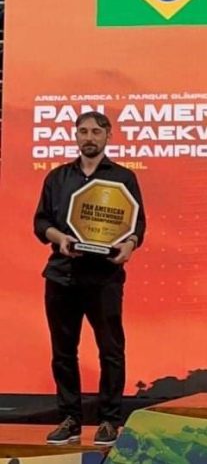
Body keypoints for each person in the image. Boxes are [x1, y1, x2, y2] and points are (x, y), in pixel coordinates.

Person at [33, 111, 146, 446]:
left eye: (96, 131)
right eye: (83, 131)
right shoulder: (57, 177)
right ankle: (70, 419)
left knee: (111, 350)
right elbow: (40, 223)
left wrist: (130, 245)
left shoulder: (123, 178)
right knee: (63, 352)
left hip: (104, 277)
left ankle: (109, 421)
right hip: (61, 276)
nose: (89, 137)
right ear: (75, 135)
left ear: (109, 135)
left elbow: (137, 224)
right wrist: (59, 238)